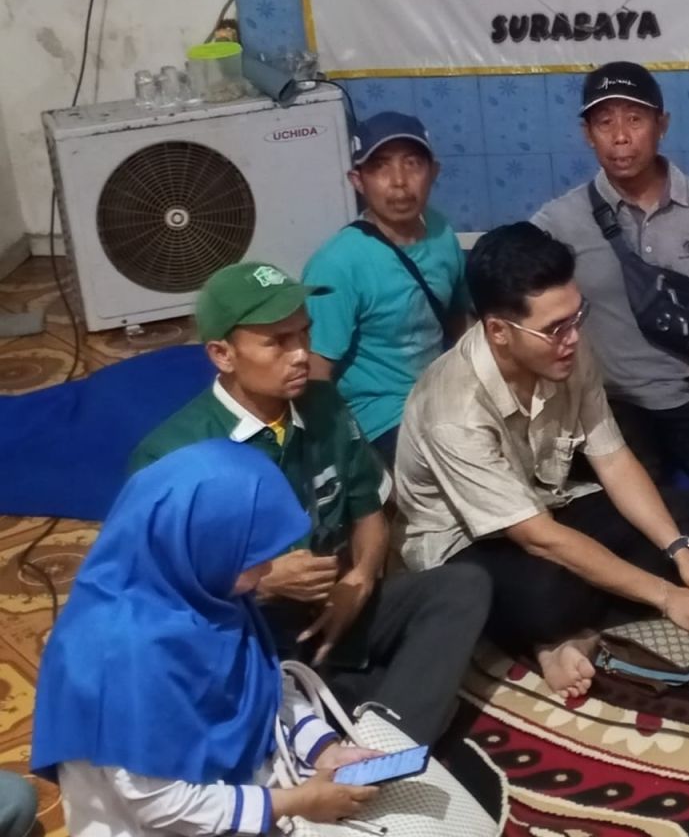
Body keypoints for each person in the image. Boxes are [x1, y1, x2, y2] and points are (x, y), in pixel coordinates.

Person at [130, 261, 488, 745]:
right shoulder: (170, 457)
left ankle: (387, 742)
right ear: (222, 354)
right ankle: (356, 711)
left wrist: (359, 580)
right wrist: (263, 583)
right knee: (223, 692)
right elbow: (154, 598)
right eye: (277, 342)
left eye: (304, 333)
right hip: (249, 633)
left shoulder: (324, 404)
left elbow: (369, 512)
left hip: (336, 606)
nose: (301, 354)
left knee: (462, 587)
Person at [395, 222, 689, 700]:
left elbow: (614, 460)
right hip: (468, 541)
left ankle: (580, 632)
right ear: (497, 330)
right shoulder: (453, 409)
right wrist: (669, 595)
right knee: (546, 598)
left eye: (578, 316)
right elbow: (539, 540)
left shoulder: (566, 349)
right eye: (555, 327)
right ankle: (551, 639)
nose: (573, 337)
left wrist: (679, 552)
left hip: (547, 502)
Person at [33, 441, 385, 837]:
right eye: (249, 556)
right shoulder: (120, 657)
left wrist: (324, 749)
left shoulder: (198, 590)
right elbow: (163, 804)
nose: (267, 569)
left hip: (242, 800)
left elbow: (266, 687)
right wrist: (299, 802)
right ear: (200, 541)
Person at [532, 61, 689, 509]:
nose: (621, 136)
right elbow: (519, 291)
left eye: (635, 118)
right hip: (608, 399)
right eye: (605, 122)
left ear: (661, 124)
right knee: (619, 498)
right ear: (587, 134)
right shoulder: (559, 220)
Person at [303, 111, 470, 467]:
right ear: (358, 181)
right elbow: (315, 374)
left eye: (412, 164)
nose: (398, 182)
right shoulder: (337, 265)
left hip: (444, 398)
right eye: (380, 167)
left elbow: (458, 320)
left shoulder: (441, 232)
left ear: (434, 172)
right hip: (382, 421)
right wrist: (348, 459)